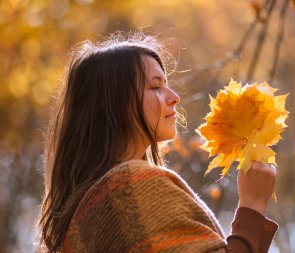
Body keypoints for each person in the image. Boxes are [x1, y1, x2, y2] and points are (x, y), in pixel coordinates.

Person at [38, 32, 278, 253]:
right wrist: (252, 206)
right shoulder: (131, 185)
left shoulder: (86, 211)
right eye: (155, 86)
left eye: (166, 84)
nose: (174, 98)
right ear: (114, 105)